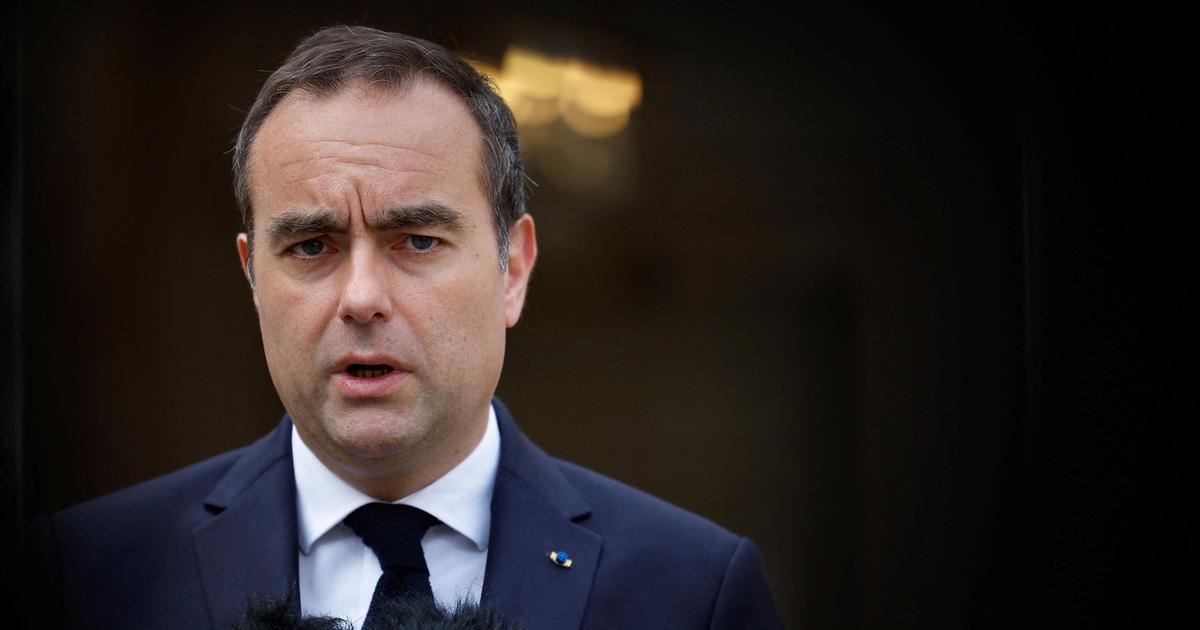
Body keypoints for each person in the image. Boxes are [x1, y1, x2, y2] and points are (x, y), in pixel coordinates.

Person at [30, 25, 783, 629]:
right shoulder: (85, 572)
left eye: (417, 241)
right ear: (252, 276)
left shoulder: (692, 591)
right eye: (311, 246)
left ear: (513, 268)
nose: (362, 298)